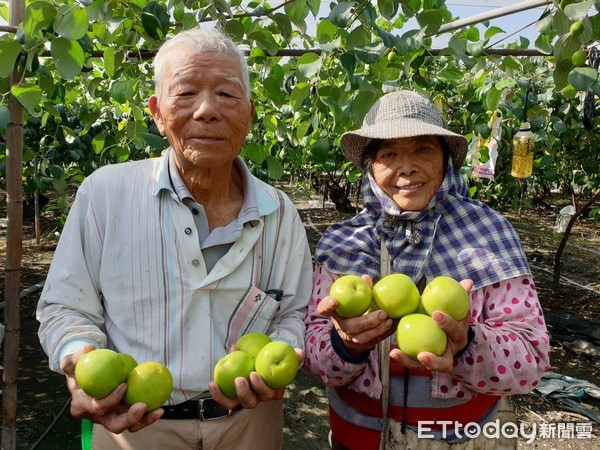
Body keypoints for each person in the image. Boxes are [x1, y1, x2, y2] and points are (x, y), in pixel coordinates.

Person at [37, 27, 312, 450]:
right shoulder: (105, 194)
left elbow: (293, 312)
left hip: (250, 424)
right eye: (185, 94)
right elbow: (64, 307)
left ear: (250, 113)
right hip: (134, 426)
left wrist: (283, 353)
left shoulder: (279, 212)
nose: (206, 110)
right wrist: (80, 354)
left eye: (226, 94)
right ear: (157, 112)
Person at [303, 90, 550, 449]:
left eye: (423, 149)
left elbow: (531, 358)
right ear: (370, 166)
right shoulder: (345, 242)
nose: (406, 167)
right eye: (389, 154)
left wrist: (466, 346)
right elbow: (313, 356)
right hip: (355, 437)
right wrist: (344, 346)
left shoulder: (487, 232)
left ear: (446, 160)